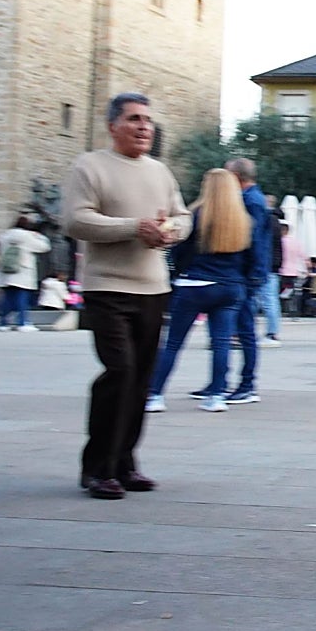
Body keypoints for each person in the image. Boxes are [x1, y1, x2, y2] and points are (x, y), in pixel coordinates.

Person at [62, 91, 191, 499]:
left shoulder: (160, 171)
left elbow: (183, 216)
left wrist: (169, 231)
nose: (144, 128)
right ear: (113, 125)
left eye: (148, 121)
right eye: (135, 119)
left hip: (154, 288)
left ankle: (124, 462)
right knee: (119, 371)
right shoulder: (89, 166)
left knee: (140, 378)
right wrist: (135, 227)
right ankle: (97, 468)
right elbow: (76, 220)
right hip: (107, 287)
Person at [145, 168, 254, 413]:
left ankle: (155, 395)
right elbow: (251, 257)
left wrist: (179, 273)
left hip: (195, 284)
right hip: (230, 286)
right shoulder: (243, 218)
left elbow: (178, 252)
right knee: (221, 343)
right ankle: (216, 396)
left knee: (173, 343)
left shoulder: (195, 215)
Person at [221, 158, 272, 404]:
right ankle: (221, 382)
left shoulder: (251, 201)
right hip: (246, 272)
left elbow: (253, 240)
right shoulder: (252, 199)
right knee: (238, 328)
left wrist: (253, 274)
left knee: (245, 329)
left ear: (236, 177)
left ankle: (247, 384)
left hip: (246, 273)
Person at [0, 215, 52, 331]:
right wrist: (40, 236)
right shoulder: (27, 236)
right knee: (22, 298)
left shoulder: (4, 236)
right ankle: (22, 322)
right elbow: (44, 247)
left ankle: (3, 323)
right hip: (22, 271)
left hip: (7, 271)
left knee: (7, 298)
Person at [259, 194, 284, 346]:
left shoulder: (266, 219)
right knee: (271, 300)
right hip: (273, 266)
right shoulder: (277, 222)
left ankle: (271, 332)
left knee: (265, 300)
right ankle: (272, 332)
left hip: (264, 265)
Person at [277, 221, 305, 320]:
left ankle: (279, 311)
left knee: (277, 292)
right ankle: (293, 313)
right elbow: (303, 256)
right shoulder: (296, 242)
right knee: (293, 293)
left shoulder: (279, 242)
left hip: (281, 270)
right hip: (294, 271)